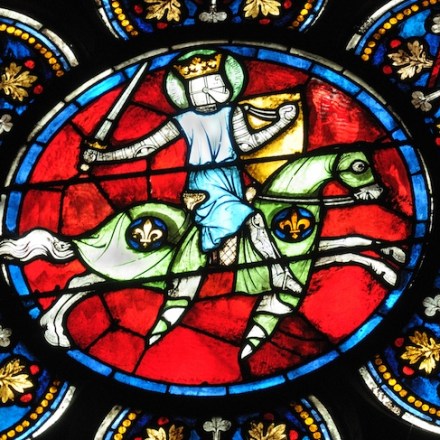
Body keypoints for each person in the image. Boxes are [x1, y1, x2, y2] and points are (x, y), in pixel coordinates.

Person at [82, 49, 303, 359]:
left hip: (231, 179)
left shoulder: (233, 113)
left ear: (227, 86)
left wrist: (281, 122)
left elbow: (248, 143)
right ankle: (280, 274)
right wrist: (103, 157)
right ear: (186, 94)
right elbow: (144, 148)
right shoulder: (184, 120)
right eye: (199, 88)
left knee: (252, 216)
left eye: (215, 85)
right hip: (204, 186)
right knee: (251, 219)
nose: (208, 92)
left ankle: (256, 270)